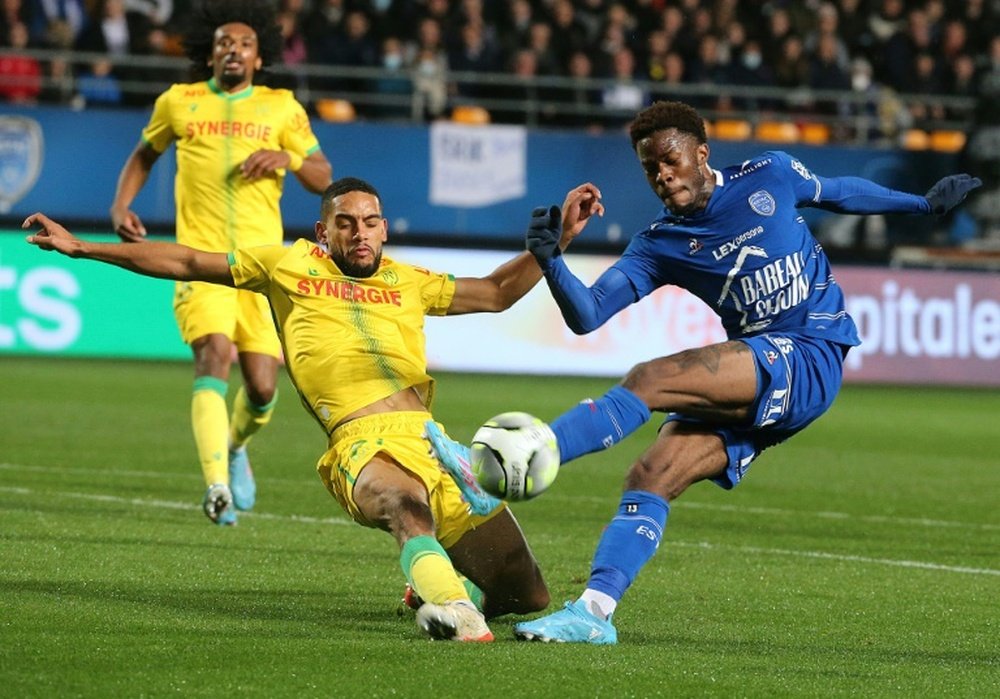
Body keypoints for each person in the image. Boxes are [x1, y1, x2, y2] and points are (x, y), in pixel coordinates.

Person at [24, 176, 603, 642]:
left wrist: (560, 243)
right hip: (361, 439)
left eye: (371, 222)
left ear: (383, 229)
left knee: (527, 597)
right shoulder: (287, 266)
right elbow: (186, 262)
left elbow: (497, 292)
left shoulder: (409, 280)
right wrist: (83, 247)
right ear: (323, 232)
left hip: (434, 443)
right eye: (345, 223)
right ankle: (455, 609)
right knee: (405, 507)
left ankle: (436, 584)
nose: (361, 233)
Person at [497, 100, 981, 644]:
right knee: (653, 473)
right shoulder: (659, 244)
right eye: (650, 167)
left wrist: (923, 204)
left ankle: (538, 449)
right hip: (763, 369)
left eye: (670, 159)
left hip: (810, 351)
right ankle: (593, 613)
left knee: (651, 378)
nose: (662, 174)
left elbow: (838, 190)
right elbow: (588, 316)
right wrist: (552, 260)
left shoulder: (769, 174)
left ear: (701, 153)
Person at [109, 0, 333, 526]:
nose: (233, 50)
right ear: (210, 56)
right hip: (199, 260)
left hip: (261, 269)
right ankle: (215, 486)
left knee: (261, 388)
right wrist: (121, 204)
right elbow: (144, 155)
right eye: (224, 44)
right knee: (214, 354)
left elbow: (325, 175)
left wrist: (291, 158)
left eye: (244, 44)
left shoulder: (281, 107)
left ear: (259, 58)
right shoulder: (178, 101)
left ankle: (233, 448)